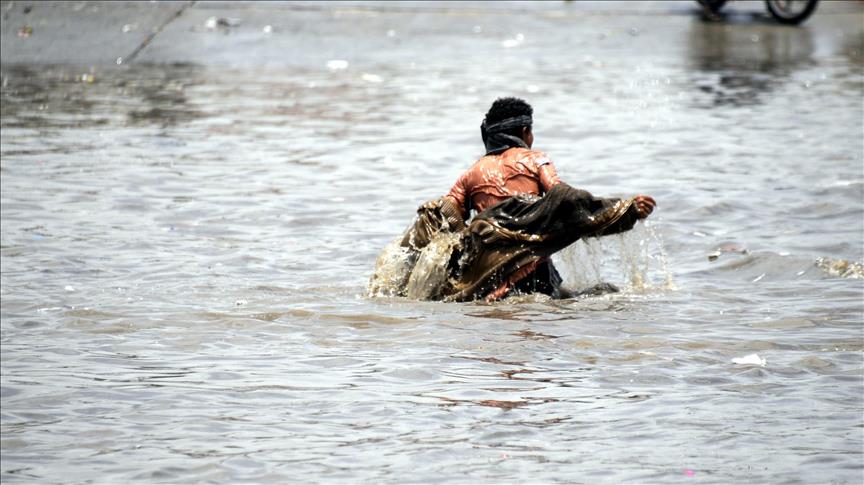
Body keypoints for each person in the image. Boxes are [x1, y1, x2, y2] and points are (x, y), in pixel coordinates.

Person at [372, 97, 656, 302]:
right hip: (532, 269)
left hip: (482, 275)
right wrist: (624, 210)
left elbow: (447, 213)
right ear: (524, 133)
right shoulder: (535, 160)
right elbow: (564, 201)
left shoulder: (471, 173)